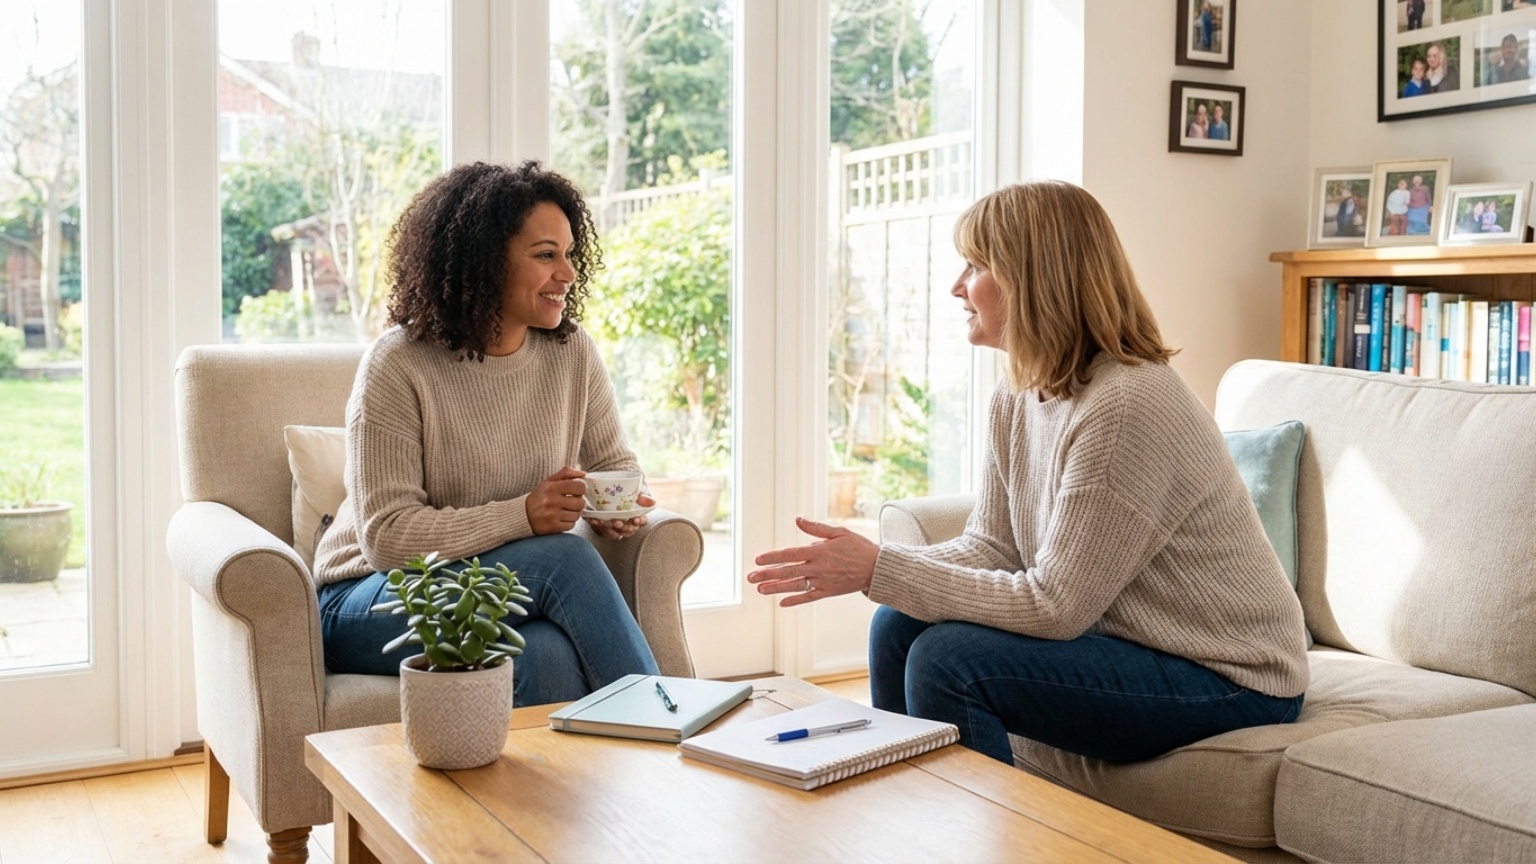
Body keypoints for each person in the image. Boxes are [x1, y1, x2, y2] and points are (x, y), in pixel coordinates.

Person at [747, 181, 1309, 765]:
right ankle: (906, 805)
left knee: (948, 661)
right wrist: (882, 568)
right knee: (897, 623)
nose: (957, 286)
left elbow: (1057, 606)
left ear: (1031, 279)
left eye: (975, 266)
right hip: (1134, 645)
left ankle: (982, 821)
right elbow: (994, 546)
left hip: (1232, 676)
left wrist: (879, 569)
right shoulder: (1019, 391)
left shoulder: (1126, 403)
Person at [312, 160, 661, 706]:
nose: (567, 273)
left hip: (495, 585)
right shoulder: (398, 364)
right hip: (367, 599)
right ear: (485, 260)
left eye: (569, 254)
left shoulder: (571, 352)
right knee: (564, 559)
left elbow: (614, 463)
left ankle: (576, 767)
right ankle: (666, 726)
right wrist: (523, 515)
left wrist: (617, 506)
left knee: (546, 654)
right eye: (545, 255)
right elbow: (386, 538)